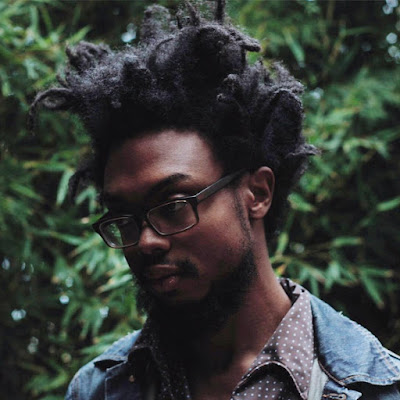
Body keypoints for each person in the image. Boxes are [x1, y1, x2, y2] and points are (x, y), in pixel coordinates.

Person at [31, 1, 400, 399]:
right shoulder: (97, 390)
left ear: (257, 193)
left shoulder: (375, 388)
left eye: (173, 206)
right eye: (124, 218)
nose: (145, 242)